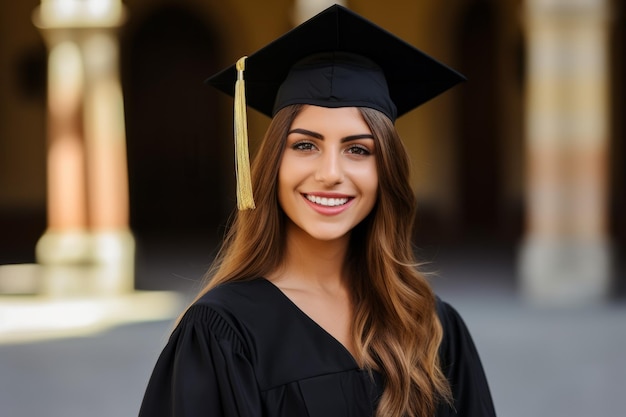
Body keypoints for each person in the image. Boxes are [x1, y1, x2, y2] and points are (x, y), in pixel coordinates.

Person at [139, 5, 496, 417]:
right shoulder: (221, 332)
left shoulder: (431, 326)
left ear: (386, 174)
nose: (330, 174)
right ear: (273, 163)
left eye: (358, 149)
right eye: (305, 145)